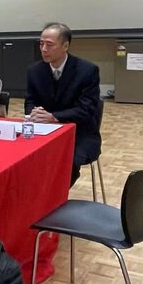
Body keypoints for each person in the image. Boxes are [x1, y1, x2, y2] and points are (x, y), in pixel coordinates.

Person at [25, 23, 101, 186]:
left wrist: (54, 117)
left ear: (65, 46)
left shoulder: (87, 71)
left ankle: (54, 196)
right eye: (41, 44)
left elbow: (86, 110)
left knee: (66, 161)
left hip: (79, 133)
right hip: (43, 131)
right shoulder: (35, 71)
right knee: (22, 155)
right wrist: (34, 112)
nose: (44, 49)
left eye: (49, 45)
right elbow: (30, 100)